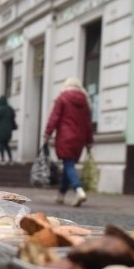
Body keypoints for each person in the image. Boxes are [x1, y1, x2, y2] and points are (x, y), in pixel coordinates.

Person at [44, 78, 94, 207]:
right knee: (68, 164)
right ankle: (61, 195)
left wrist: (47, 133)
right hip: (79, 139)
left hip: (65, 136)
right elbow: (88, 124)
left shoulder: (62, 98)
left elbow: (54, 117)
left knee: (68, 164)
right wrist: (89, 141)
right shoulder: (85, 101)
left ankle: (79, 190)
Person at [0, 94, 16, 164]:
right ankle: (10, 158)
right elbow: (13, 118)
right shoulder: (10, 109)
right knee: (6, 144)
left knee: (1, 145)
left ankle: (2, 159)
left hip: (0, 130)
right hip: (8, 130)